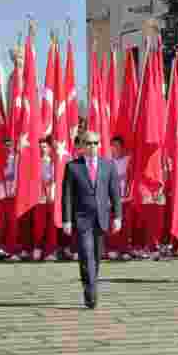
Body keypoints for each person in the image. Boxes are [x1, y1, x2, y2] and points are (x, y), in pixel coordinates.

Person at [62, 131, 122, 309]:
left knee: (95, 256)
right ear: (81, 146)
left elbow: (115, 193)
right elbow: (67, 195)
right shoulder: (73, 167)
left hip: (101, 218)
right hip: (82, 219)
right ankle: (91, 292)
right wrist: (66, 220)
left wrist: (117, 216)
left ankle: (89, 281)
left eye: (96, 143)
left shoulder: (108, 165)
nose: (93, 147)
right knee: (86, 254)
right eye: (89, 143)